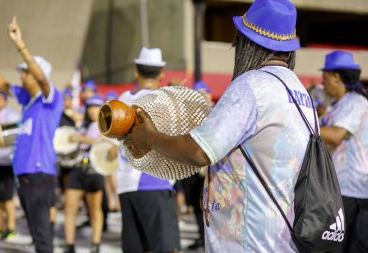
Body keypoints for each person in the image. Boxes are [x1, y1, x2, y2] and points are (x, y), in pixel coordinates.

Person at [124, 0, 315, 252]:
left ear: (248, 44)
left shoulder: (252, 86)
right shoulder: (300, 91)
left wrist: (149, 137)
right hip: (284, 237)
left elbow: (199, 151)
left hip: (249, 239)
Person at [0, 17, 63, 253]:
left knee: (42, 237)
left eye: (25, 73)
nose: (22, 76)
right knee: (36, 232)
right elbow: (1, 84)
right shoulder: (27, 101)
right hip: (25, 175)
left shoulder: (51, 100)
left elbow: (41, 78)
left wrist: (20, 46)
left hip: (39, 174)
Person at [117, 47, 181, 253]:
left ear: (136, 73)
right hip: (154, 182)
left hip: (126, 183)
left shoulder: (123, 99)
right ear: (162, 75)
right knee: (165, 248)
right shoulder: (165, 100)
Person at [319, 51, 368, 253]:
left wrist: (303, 126)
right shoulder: (338, 106)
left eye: (325, 78)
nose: (323, 83)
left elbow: (337, 135)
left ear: (336, 77)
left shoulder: (356, 102)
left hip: (353, 192)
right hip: (338, 190)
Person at [64, 94, 105, 253]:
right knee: (69, 207)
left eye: (96, 107)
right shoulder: (82, 126)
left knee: (94, 209)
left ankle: (95, 244)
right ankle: (69, 244)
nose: (92, 110)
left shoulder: (104, 126)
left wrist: (81, 139)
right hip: (78, 168)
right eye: (90, 107)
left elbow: (103, 143)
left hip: (94, 170)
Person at [0, 85, 20, 240]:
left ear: (5, 100)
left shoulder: (12, 115)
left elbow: (13, 138)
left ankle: (11, 227)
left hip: (5, 162)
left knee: (6, 197)